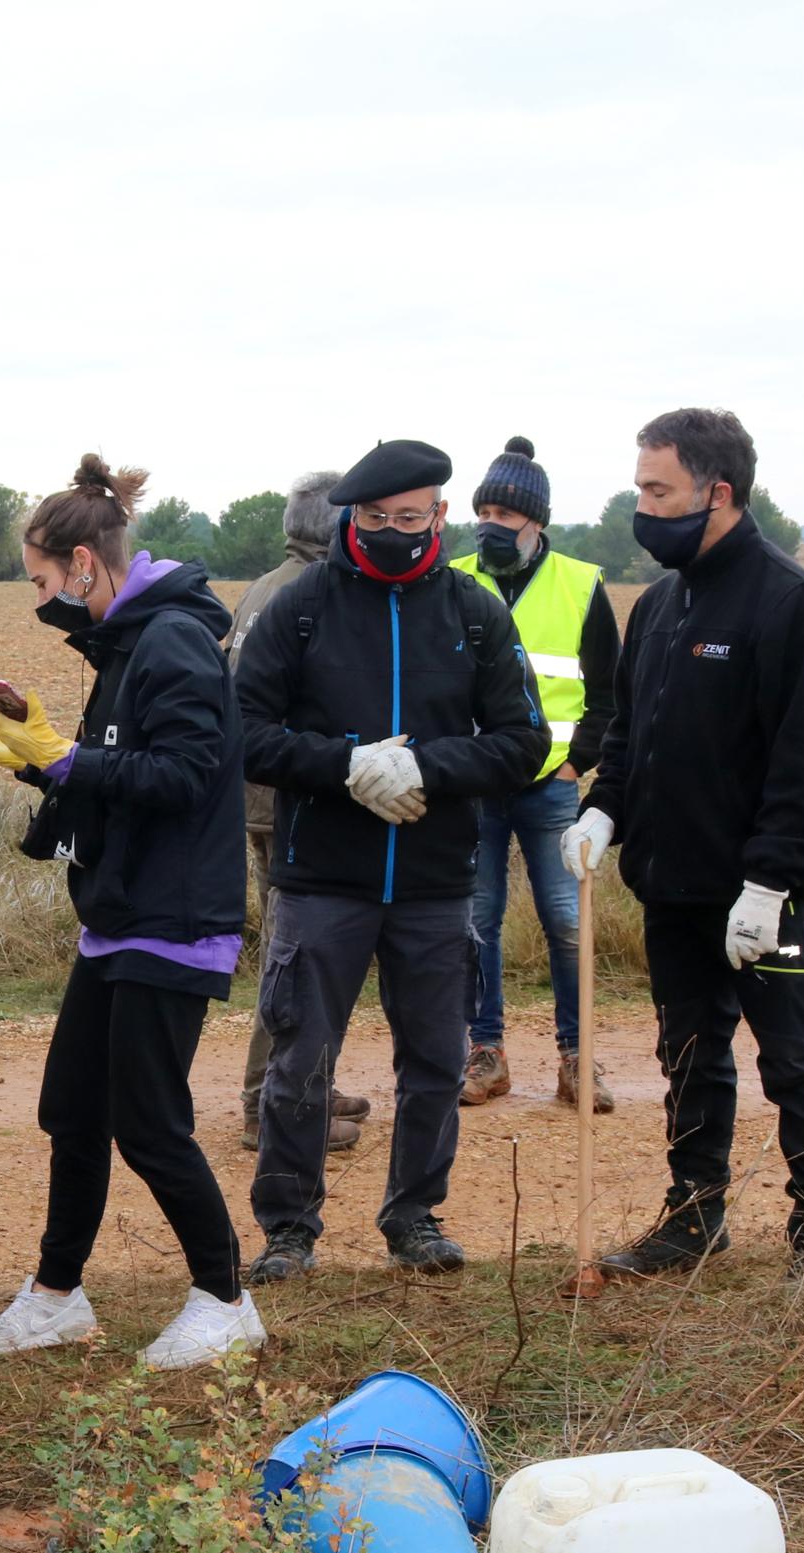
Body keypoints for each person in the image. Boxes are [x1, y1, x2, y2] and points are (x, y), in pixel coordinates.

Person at [0, 455, 263, 1369]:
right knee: (74, 1108)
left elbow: (181, 776)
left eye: (45, 581)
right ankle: (57, 1295)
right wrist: (29, 751)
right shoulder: (126, 642)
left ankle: (224, 1298)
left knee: (148, 1120)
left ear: (85, 564)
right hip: (121, 912)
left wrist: (63, 759)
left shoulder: (167, 639)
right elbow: (108, 766)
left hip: (174, 917)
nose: (43, 597)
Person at [235, 439, 549, 1283]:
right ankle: (289, 1229)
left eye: (411, 519)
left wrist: (427, 767)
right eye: (377, 519)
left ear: (439, 518)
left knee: (437, 1063)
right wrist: (346, 765)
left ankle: (415, 1217)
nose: (395, 532)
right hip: (320, 877)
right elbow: (243, 730)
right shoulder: (299, 609)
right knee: (300, 1063)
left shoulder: (476, 614)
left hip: (436, 881)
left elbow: (526, 741)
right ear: (352, 518)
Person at [562, 407, 804, 1278]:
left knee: (795, 1057)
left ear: (717, 492)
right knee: (689, 1054)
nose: (643, 509)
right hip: (673, 885)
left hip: (767, 894)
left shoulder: (791, 603)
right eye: (640, 489)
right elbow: (629, 737)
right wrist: (603, 812)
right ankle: (694, 1216)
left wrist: (769, 886)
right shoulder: (657, 604)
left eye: (659, 491)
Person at [451, 438, 618, 1114]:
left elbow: (609, 694)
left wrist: (578, 762)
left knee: (567, 922)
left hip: (553, 787)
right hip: (473, 785)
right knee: (476, 921)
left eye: (506, 512)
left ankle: (578, 1059)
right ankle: (485, 1054)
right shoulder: (453, 576)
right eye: (483, 508)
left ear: (537, 521)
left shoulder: (581, 584)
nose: (492, 522)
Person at [221, 470, 367, 1157]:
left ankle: (308, 1080)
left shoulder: (260, 586)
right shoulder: (314, 596)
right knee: (298, 955)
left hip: (253, 796)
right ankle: (265, 1104)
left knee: (297, 950)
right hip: (289, 802)